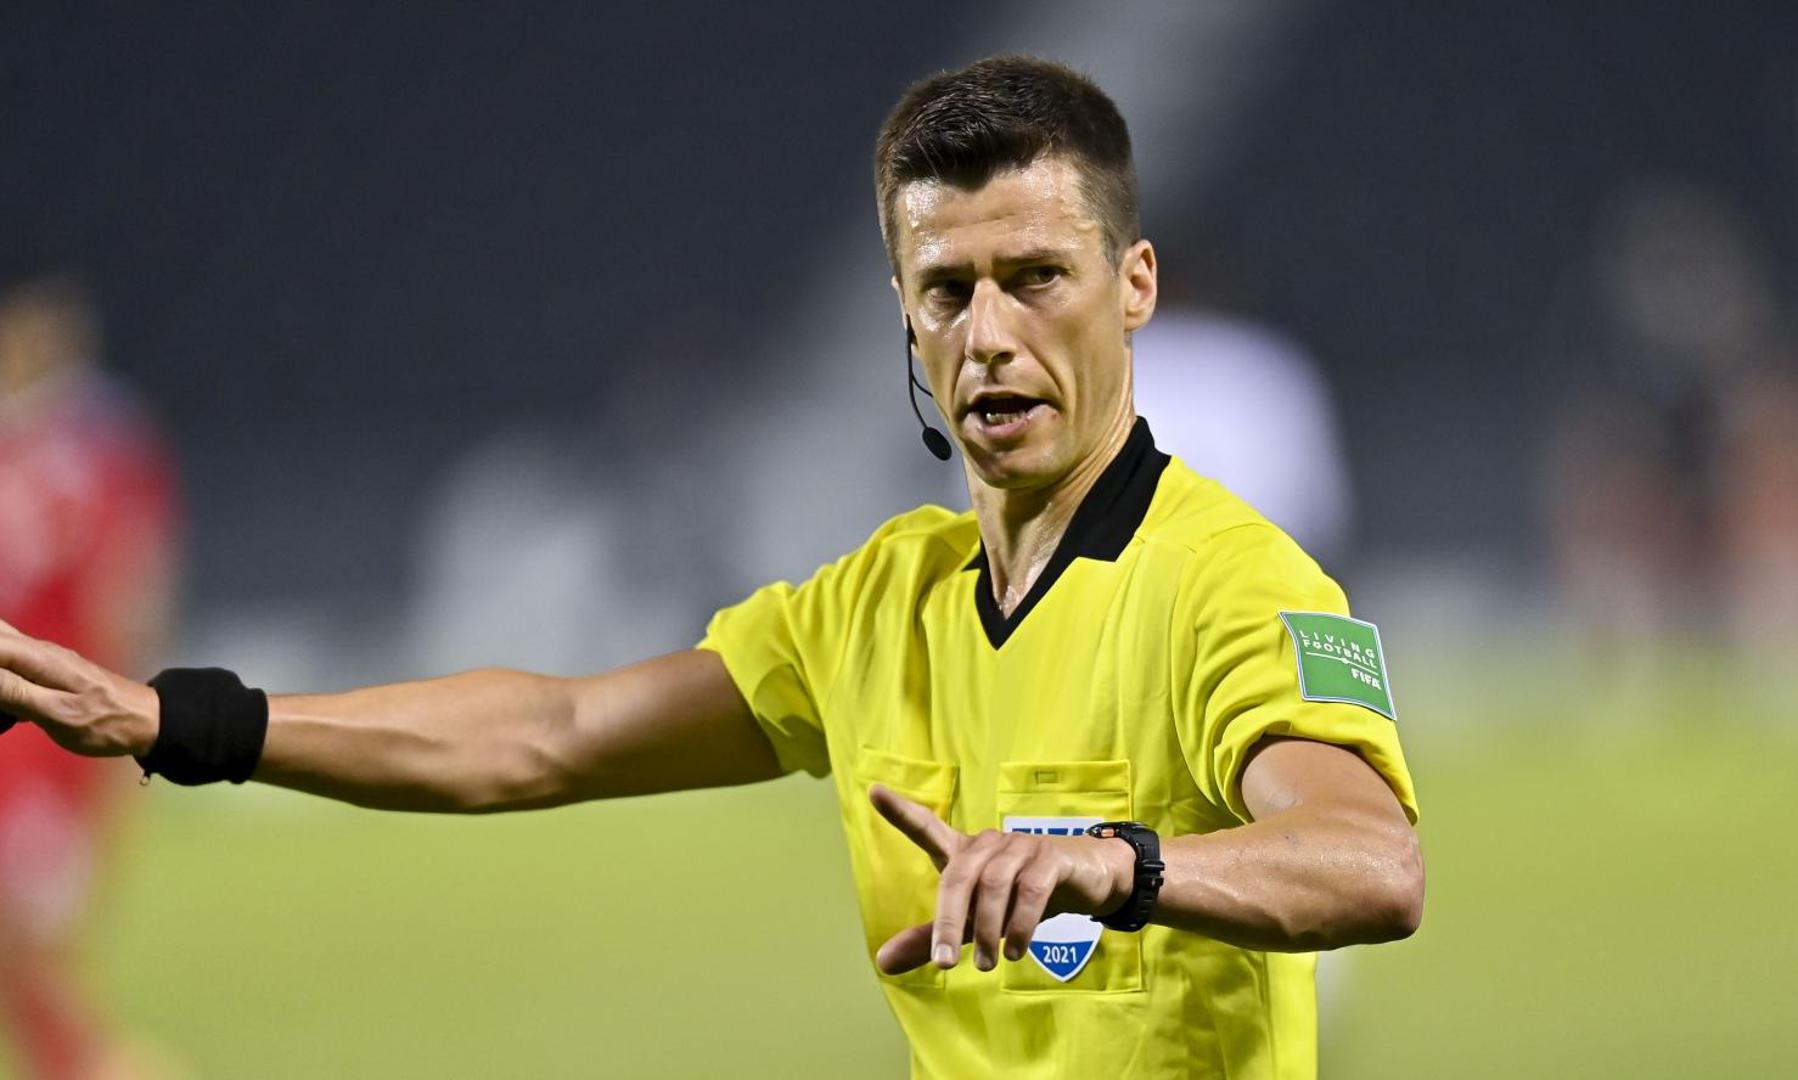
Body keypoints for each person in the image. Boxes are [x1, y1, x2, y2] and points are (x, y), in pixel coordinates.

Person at [0, 57, 1423, 1079]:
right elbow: (548, 733)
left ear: (1134, 285)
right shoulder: (877, 604)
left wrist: (1112, 865)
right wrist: (181, 721)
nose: (988, 334)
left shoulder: (1237, 581)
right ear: (905, 315)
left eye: (1036, 277)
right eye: (946, 291)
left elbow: (1373, 861)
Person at [0, 260, 180, 1079]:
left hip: (51, 724)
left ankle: (88, 1064)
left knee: (29, 923)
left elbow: (131, 587)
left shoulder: (101, 443)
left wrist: (140, 710)